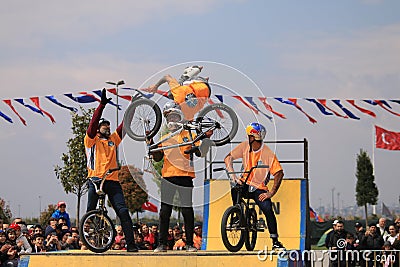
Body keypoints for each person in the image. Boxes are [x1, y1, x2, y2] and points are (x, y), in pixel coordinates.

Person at [84, 88, 138, 252]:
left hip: (112, 181)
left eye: (108, 126)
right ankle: (90, 241)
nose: (107, 128)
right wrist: (101, 106)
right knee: (91, 213)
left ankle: (131, 245)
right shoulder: (91, 140)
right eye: (104, 126)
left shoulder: (113, 139)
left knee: (123, 211)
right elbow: (93, 125)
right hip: (95, 180)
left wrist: (134, 105)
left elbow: (125, 125)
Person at [151, 102, 209, 253]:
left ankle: (189, 244)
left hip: (185, 177)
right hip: (168, 177)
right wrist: (150, 143)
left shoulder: (189, 134)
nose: (172, 119)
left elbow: (199, 152)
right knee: (165, 211)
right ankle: (162, 244)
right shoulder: (164, 136)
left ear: (180, 117)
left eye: (175, 116)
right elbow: (157, 157)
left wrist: (203, 143)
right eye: (170, 117)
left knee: (187, 211)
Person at [224, 122, 285, 250]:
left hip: (259, 188)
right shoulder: (244, 146)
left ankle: (275, 241)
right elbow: (228, 158)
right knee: (235, 190)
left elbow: (279, 172)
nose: (247, 138)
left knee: (268, 209)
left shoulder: (267, 153)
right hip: (245, 183)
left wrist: (271, 192)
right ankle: (237, 216)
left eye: (249, 136)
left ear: (253, 137)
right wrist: (233, 176)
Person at [143, 66, 211, 121]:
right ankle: (193, 72)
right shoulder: (179, 99)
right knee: (173, 92)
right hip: (201, 85)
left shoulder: (187, 114)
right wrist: (156, 86)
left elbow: (167, 77)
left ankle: (192, 71)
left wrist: (155, 87)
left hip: (206, 92)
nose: (172, 119)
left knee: (172, 93)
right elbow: (166, 77)